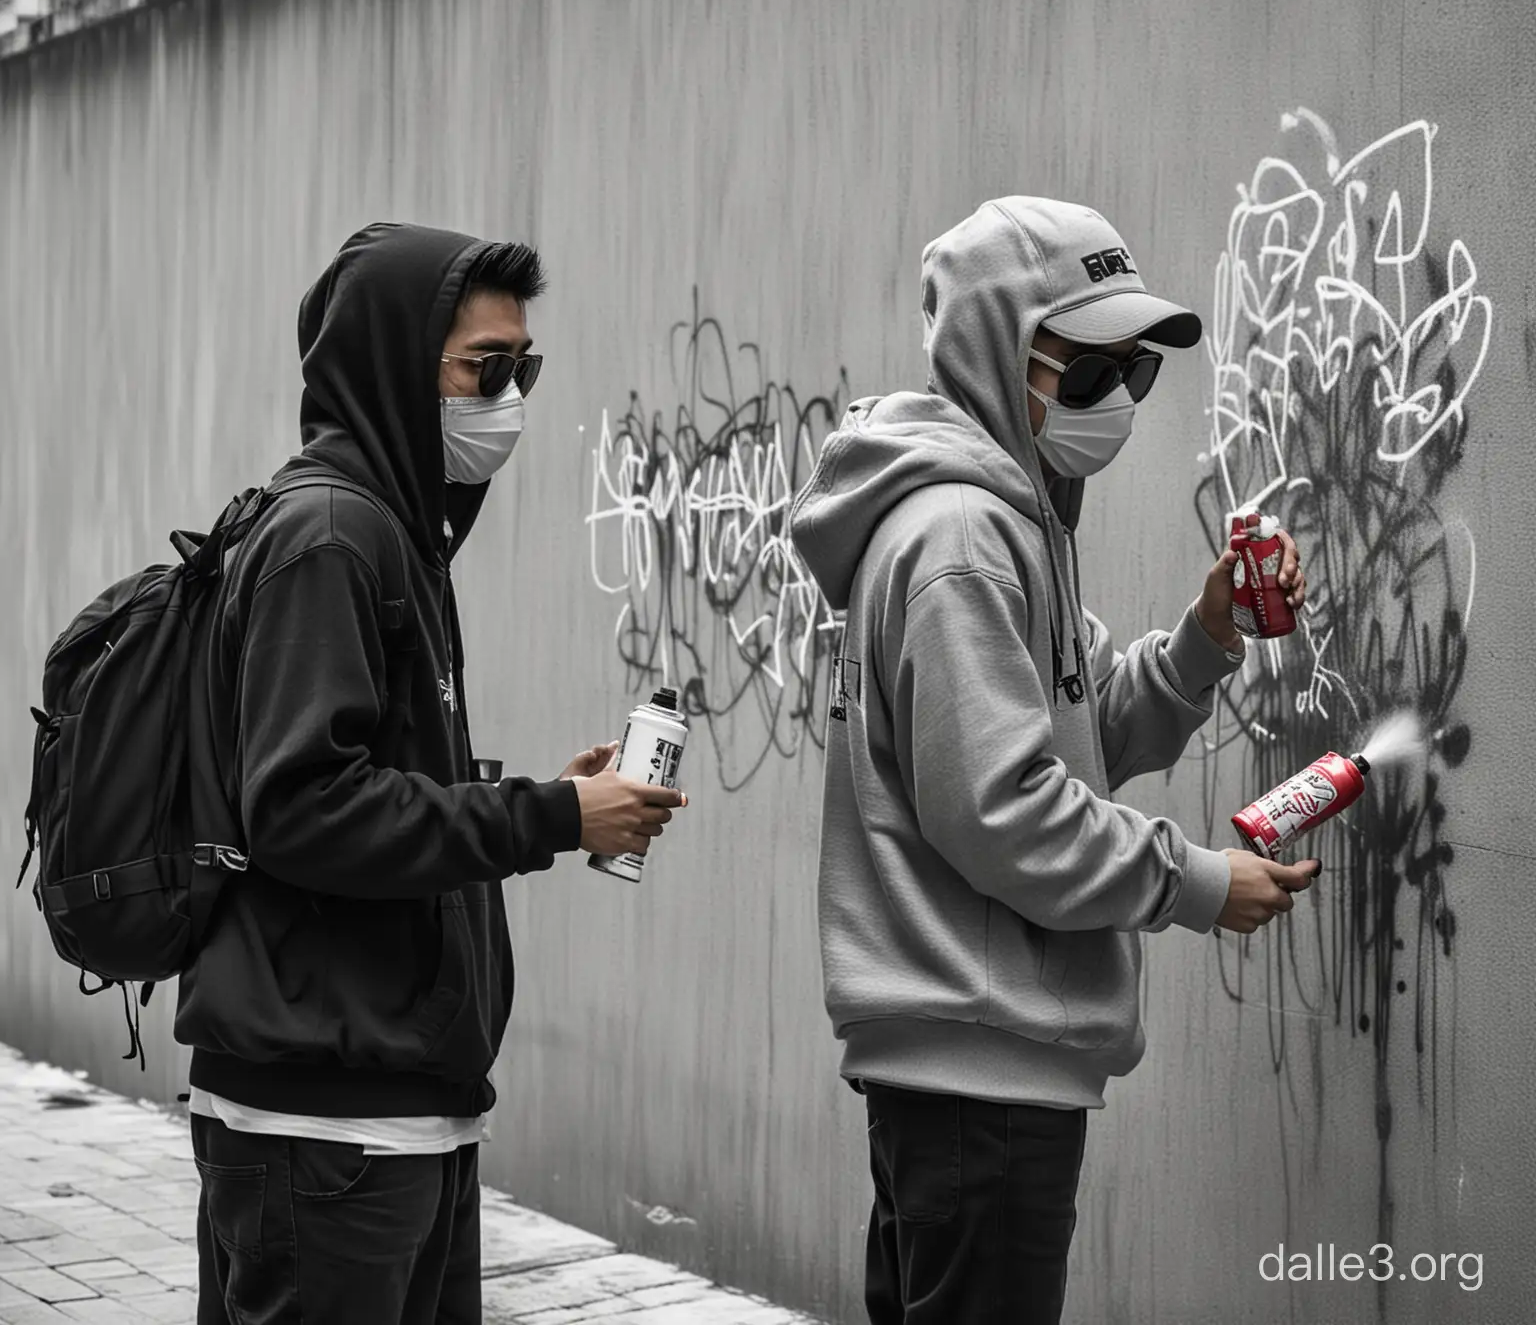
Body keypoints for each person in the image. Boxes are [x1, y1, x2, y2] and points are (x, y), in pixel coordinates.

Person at [788, 197, 1320, 1325]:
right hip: (980, 1075)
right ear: (995, 353)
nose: (1117, 403)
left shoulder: (1017, 522)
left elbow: (1075, 739)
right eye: (1085, 374)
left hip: (971, 1072)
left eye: (1135, 373)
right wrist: (1198, 882)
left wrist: (1206, 636)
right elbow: (1006, 811)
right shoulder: (963, 539)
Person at [177, 222, 686, 1324]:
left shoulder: (396, 535)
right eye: (484, 368)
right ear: (390, 365)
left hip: (398, 1114)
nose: (509, 396)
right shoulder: (331, 538)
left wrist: (549, 804)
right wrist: (549, 816)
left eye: (523, 369)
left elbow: (366, 784)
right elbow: (304, 810)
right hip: (328, 1130)